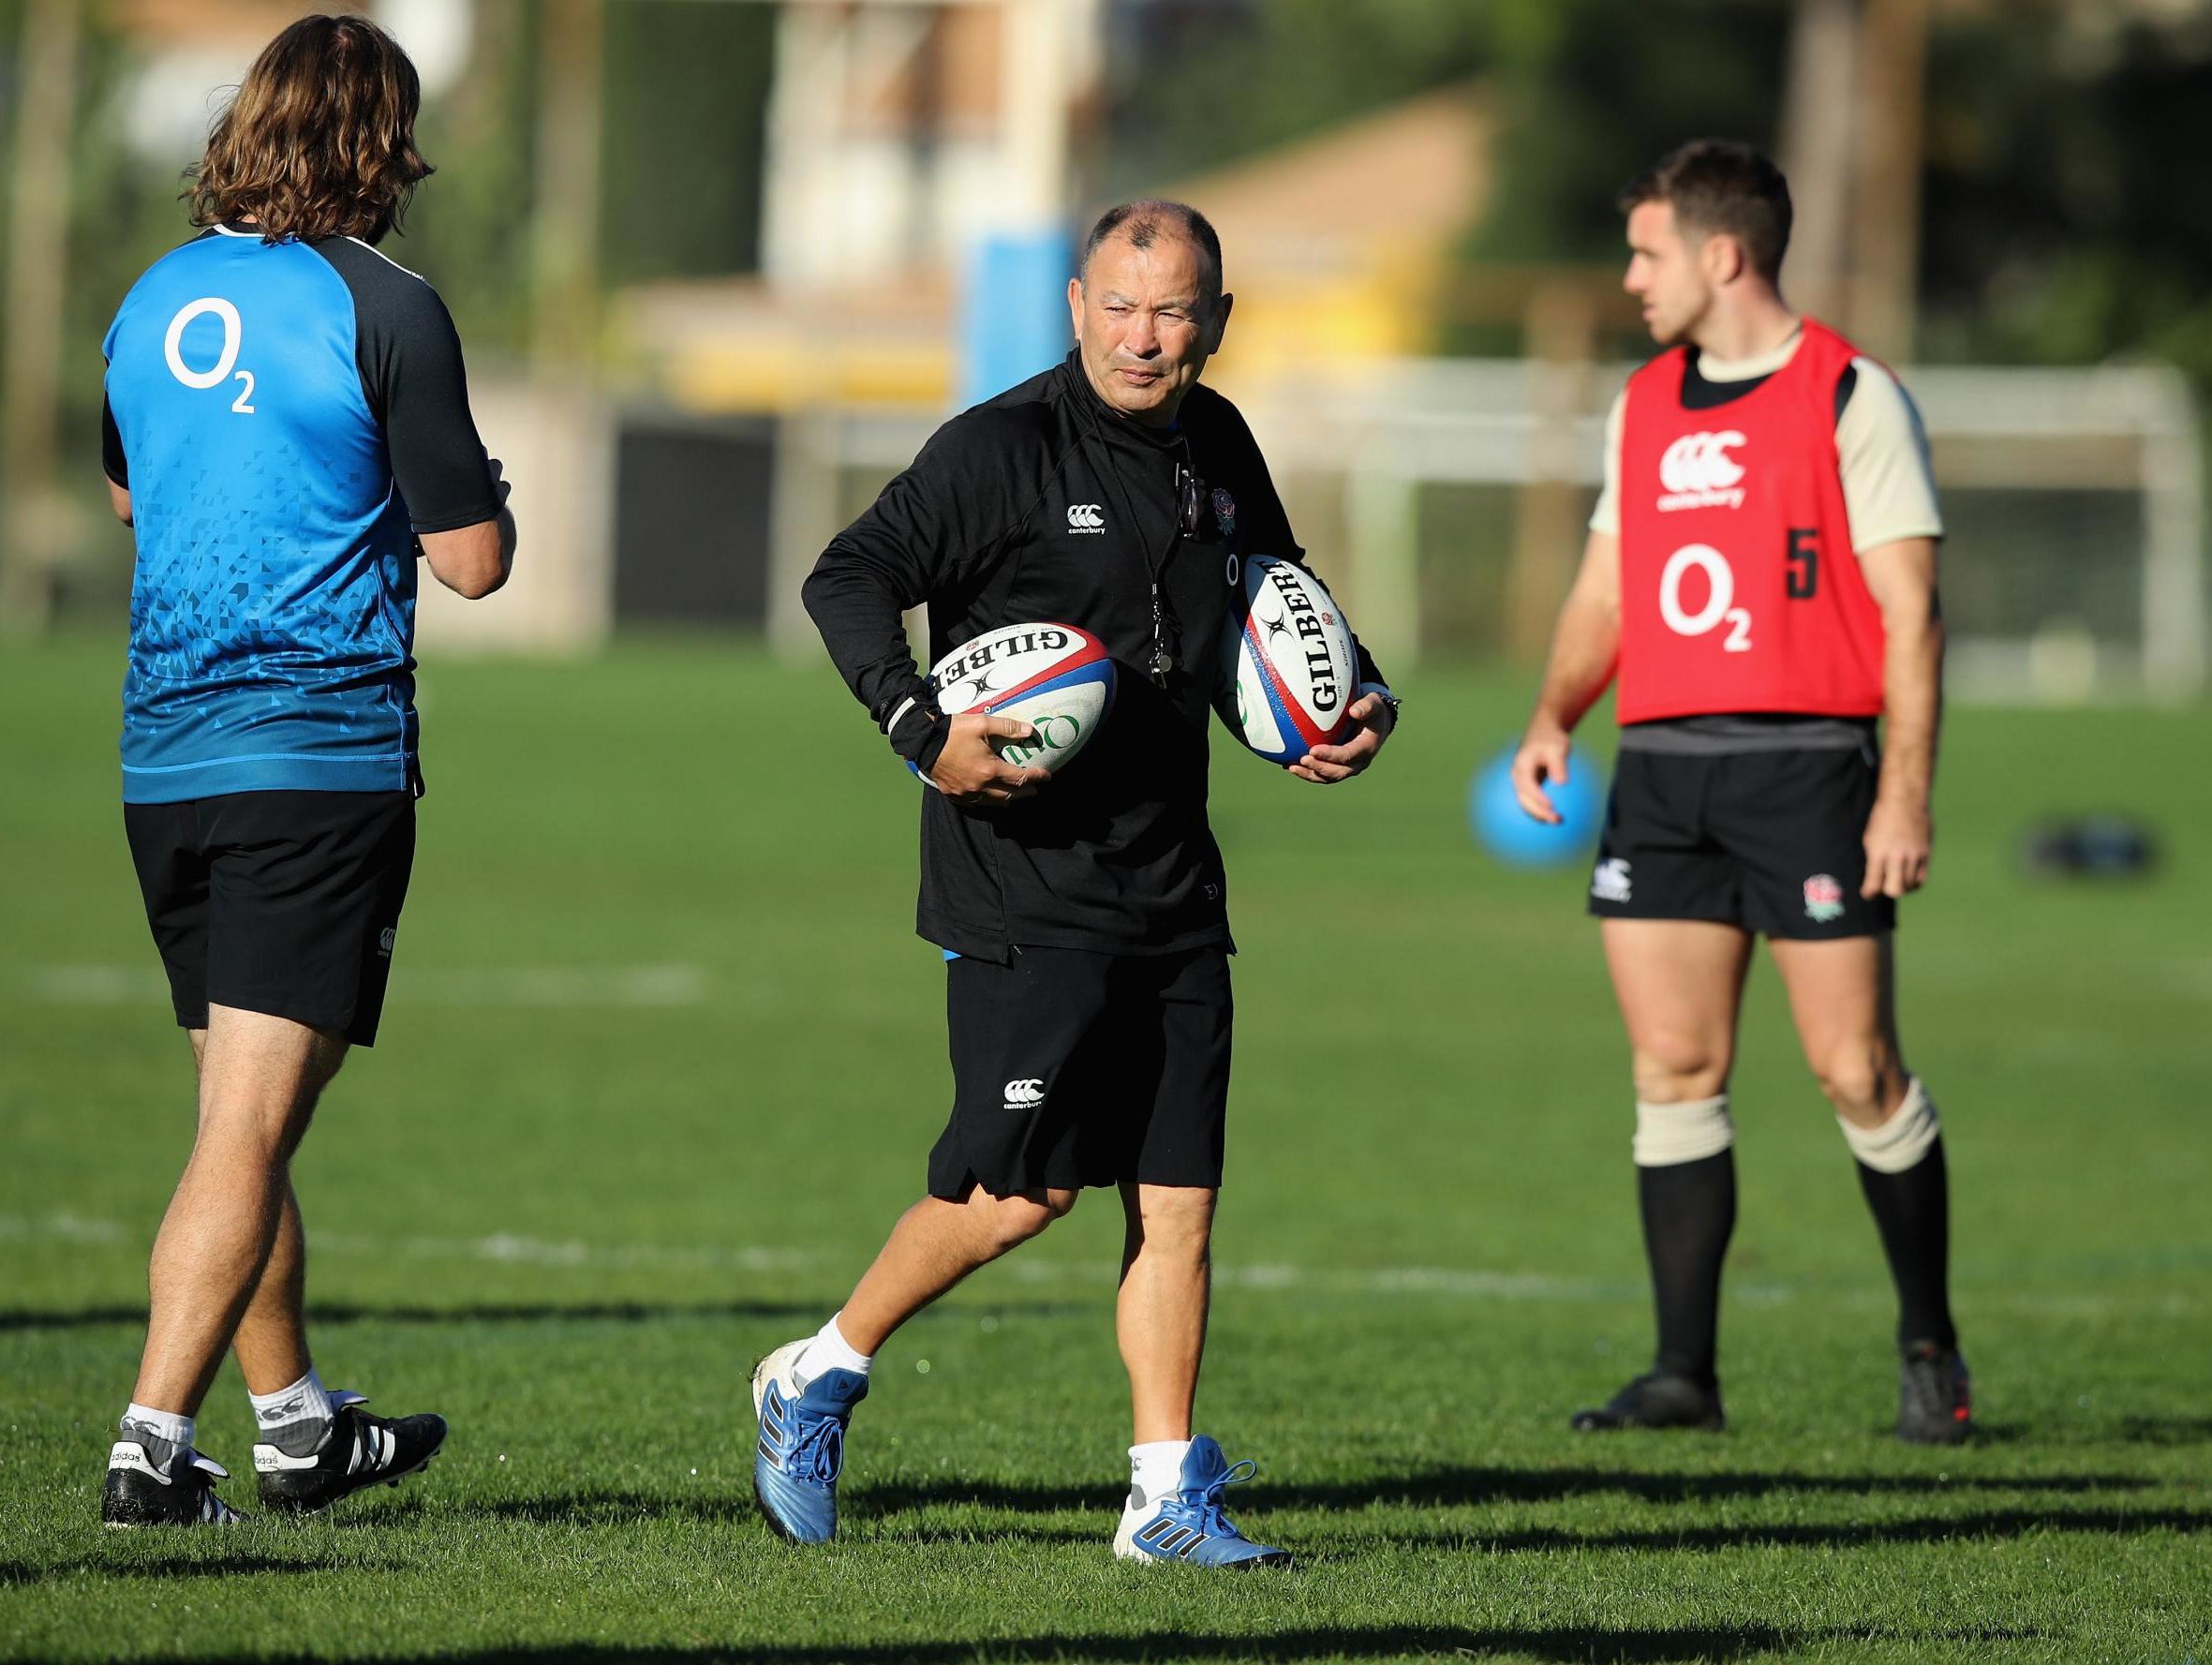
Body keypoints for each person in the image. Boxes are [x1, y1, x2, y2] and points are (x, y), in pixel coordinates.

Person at [765, 201, 1397, 1566]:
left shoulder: (1217, 445)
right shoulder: (997, 450)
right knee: (1017, 1192)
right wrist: (920, 732)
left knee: (1176, 1197)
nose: (1142, 335)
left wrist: (1354, 702)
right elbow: (848, 575)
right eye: (1118, 305)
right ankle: (816, 1370)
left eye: (1172, 310)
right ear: (1073, 305)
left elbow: (1274, 606)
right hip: (1022, 879)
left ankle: (1164, 1494)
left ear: (1215, 322)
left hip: (1172, 873)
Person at [98, 13, 514, 1525]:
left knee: (241, 1114)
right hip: (316, 758)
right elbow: (473, 563)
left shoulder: (152, 296)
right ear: (378, 144)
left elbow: (136, 498)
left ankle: (292, 1423)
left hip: (165, 764)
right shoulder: (387, 304)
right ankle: (153, 1436)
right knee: (248, 1129)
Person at [1510, 140, 1967, 1444]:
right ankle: (1680, 1375)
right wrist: (1553, 714)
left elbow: (1911, 615)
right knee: (1672, 1062)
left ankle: (1929, 1344)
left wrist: (1902, 795)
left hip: (1808, 771)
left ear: (1721, 255)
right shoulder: (1643, 399)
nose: (1629, 276)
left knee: (1853, 1069)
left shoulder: (1848, 396)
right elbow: (1606, 585)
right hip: (1659, 774)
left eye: (1647, 253)